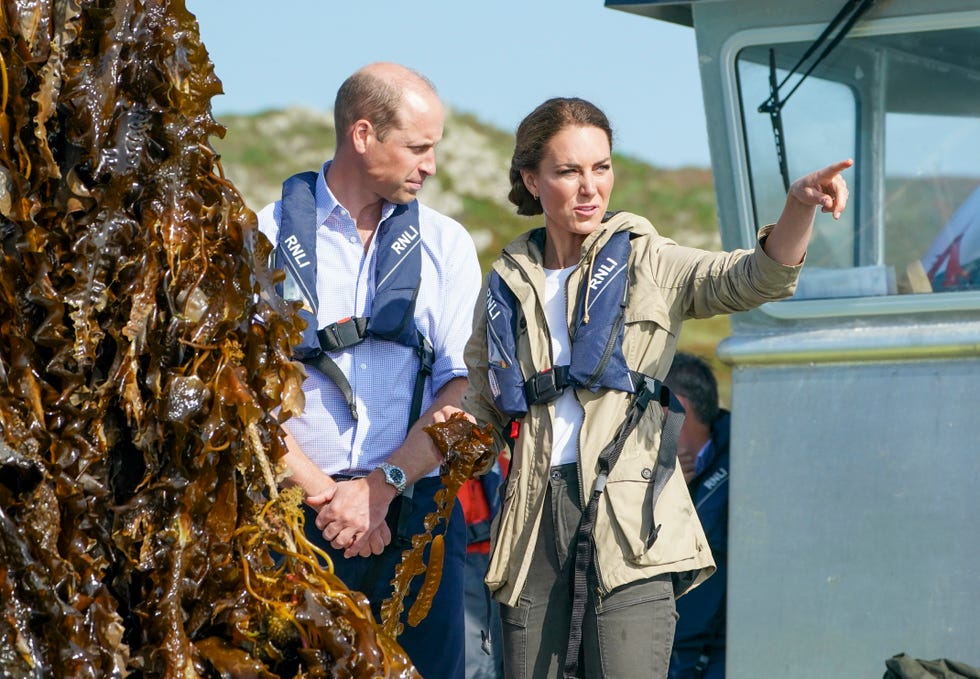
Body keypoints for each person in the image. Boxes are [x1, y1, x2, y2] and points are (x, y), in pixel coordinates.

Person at [461, 96, 851, 679]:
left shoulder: (650, 259)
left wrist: (798, 208)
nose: (590, 186)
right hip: (530, 528)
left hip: (631, 528)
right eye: (569, 170)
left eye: (602, 167)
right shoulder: (504, 284)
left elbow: (755, 278)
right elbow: (479, 407)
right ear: (530, 179)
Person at [256, 62, 482, 678]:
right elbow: (238, 397)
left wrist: (379, 489)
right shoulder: (261, 236)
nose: (430, 165)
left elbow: (463, 389)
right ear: (362, 135)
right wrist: (327, 495)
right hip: (294, 521)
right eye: (418, 147)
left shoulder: (447, 243)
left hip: (414, 517)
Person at [665, 353, 730, 679]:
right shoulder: (650, 474)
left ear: (677, 407)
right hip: (671, 652)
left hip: (719, 654)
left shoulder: (746, 459)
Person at [459, 462, 505, 678]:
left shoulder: (495, 453)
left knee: (498, 651)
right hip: (460, 560)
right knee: (473, 655)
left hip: (497, 558)